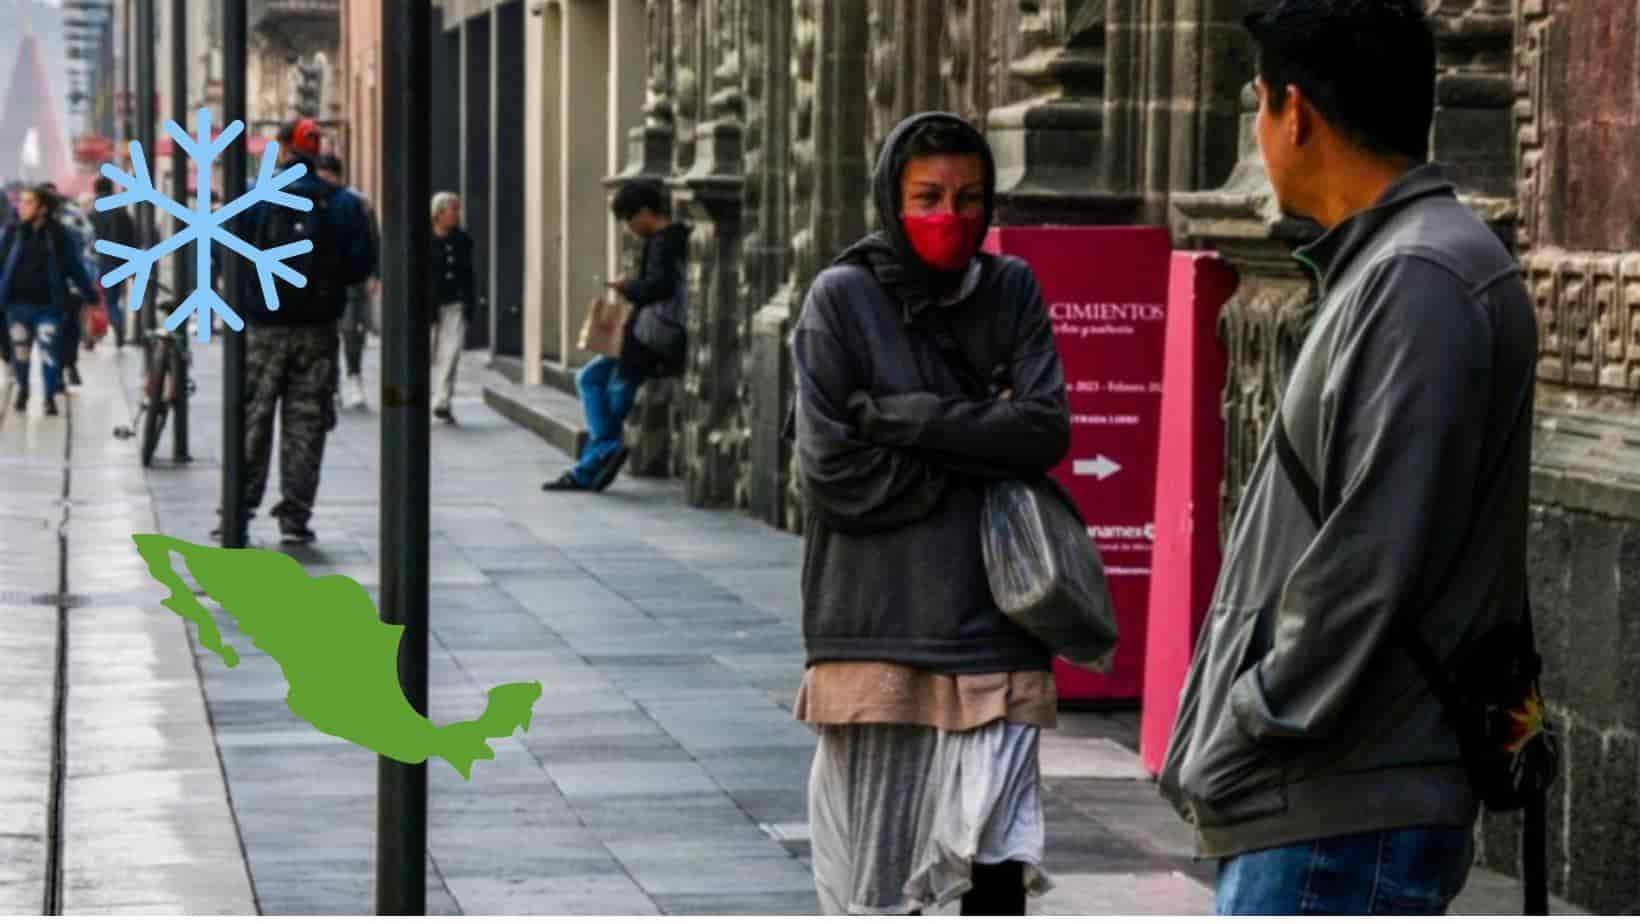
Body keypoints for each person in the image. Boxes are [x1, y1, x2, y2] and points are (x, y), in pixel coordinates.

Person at [1157, 1, 1539, 915]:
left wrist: (1251, 718)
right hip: (1324, 801)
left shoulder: (1421, 278)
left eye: (1256, 105)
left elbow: (1368, 564)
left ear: (1295, 113)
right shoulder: (1397, 265)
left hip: (1338, 810)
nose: (1260, 129)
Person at [790, 112, 1071, 915]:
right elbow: (832, 471)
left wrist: (905, 418)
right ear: (891, 196)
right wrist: (984, 442)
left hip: (997, 619)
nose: (951, 218)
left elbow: (1045, 429)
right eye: (928, 197)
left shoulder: (1010, 288)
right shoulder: (839, 299)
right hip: (876, 622)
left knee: (994, 866)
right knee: (881, 886)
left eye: (971, 198)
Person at [224, 118, 375, 545]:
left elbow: (226, 253)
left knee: (253, 418)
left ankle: (240, 509)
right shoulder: (344, 203)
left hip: (264, 329)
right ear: (315, 149)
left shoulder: (256, 197)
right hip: (318, 330)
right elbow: (360, 266)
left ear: (282, 148)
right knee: (306, 424)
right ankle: (295, 516)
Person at [542, 179, 692, 492]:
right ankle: (598, 456)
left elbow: (659, 287)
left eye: (628, 218)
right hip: (640, 337)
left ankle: (587, 468)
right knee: (589, 379)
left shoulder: (664, 241)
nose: (628, 226)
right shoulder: (666, 239)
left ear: (645, 212)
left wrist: (628, 287)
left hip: (648, 341)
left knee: (613, 397)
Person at [0, 185, 98, 416]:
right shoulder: (13, 232)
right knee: (20, 354)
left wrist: (90, 295)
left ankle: (49, 396)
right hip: (17, 305)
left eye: (28, 202)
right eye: (21, 202)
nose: (21, 207)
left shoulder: (59, 235)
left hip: (49, 305)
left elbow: (74, 267)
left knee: (49, 353)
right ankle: (23, 389)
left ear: (42, 208)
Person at [318, 154, 380, 410]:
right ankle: (334, 383)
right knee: (330, 334)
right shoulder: (316, 201)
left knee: (352, 331)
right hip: (327, 281)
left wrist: (374, 274)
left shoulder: (357, 203)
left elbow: (372, 239)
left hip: (349, 280)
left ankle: (352, 377)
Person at [41, 181, 97, 385]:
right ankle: (59, 371)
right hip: (44, 288)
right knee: (55, 331)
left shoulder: (72, 217)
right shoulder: (31, 220)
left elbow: (88, 249)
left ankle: (67, 365)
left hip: (69, 286)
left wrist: (86, 281)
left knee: (69, 328)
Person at [428, 191, 475, 423]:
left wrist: (470, 302)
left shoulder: (463, 240)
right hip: (429, 307)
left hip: (455, 304)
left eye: (458, 210)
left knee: (451, 353)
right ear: (438, 214)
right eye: (452, 210)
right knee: (428, 354)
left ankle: (442, 401)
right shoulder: (424, 239)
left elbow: (469, 274)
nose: (457, 215)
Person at [90, 175, 139, 348]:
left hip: (101, 261)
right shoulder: (121, 209)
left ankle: (110, 325)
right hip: (121, 261)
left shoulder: (94, 210)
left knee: (100, 299)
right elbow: (132, 235)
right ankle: (119, 325)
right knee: (115, 298)